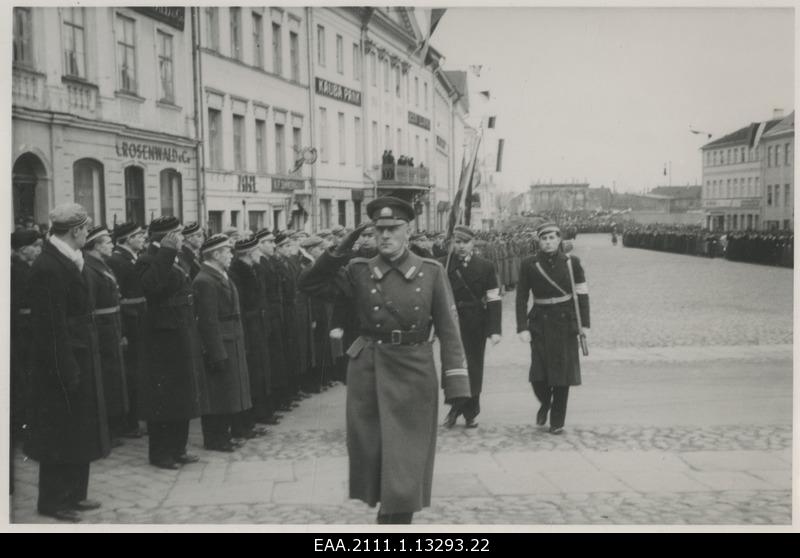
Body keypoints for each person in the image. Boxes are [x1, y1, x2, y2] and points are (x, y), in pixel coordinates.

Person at [299, 196, 469, 524]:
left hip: (414, 370)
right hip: (369, 370)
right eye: (380, 229)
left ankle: (396, 520)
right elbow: (309, 284)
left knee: (406, 461)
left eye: (394, 228)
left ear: (409, 230)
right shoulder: (358, 270)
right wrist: (338, 251)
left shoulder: (431, 272)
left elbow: (449, 330)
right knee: (371, 455)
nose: (386, 235)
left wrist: (457, 383)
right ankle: (387, 516)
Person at [26, 203, 110, 522]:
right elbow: (51, 328)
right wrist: (67, 369)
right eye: (86, 229)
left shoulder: (71, 258)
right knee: (59, 431)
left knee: (79, 427)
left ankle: (76, 493)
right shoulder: (49, 267)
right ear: (75, 231)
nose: (88, 233)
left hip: (79, 354)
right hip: (61, 362)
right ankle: (52, 501)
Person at [136, 217, 204, 469]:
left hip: (181, 331)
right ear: (164, 238)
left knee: (182, 393)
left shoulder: (174, 256)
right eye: (176, 234)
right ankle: (161, 453)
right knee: (164, 398)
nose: (182, 237)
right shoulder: (148, 259)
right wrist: (165, 252)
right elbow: (152, 286)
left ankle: (178, 448)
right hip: (162, 337)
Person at [515, 222, 590, 435]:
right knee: (538, 375)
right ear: (538, 241)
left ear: (559, 240)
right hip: (539, 324)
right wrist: (522, 327)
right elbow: (521, 297)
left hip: (566, 324)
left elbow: (582, 295)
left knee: (562, 376)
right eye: (543, 239)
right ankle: (545, 402)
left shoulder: (571, 263)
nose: (548, 243)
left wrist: (584, 324)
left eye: (551, 238)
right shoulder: (529, 264)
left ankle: (557, 421)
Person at [193, 234, 253, 451]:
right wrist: (216, 352)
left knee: (228, 391)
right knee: (218, 393)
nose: (230, 255)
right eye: (227, 251)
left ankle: (223, 435)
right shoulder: (205, 280)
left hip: (231, 338)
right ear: (216, 254)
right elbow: (208, 321)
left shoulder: (219, 275)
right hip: (221, 341)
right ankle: (215, 438)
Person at [441, 225, 502, 428]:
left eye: (464, 242)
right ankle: (454, 406)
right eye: (456, 242)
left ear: (472, 243)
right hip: (452, 322)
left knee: (474, 368)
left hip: (476, 322)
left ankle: (470, 411)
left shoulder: (485, 266)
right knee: (453, 366)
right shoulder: (445, 265)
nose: (460, 246)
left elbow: (493, 298)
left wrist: (494, 329)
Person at [83, 226, 129, 445]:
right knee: (105, 380)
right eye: (108, 242)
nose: (112, 245)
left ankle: (111, 429)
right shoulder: (89, 268)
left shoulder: (101, 265)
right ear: (96, 245)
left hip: (111, 327)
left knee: (112, 380)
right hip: (102, 330)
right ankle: (104, 433)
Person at [106, 223, 147, 439]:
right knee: (130, 373)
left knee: (137, 371)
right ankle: (130, 421)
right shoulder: (117, 260)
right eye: (138, 235)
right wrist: (122, 330)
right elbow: (118, 296)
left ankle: (135, 418)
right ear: (126, 239)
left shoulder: (131, 257)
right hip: (129, 322)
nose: (142, 238)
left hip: (138, 319)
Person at [10, 229, 42, 494]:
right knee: (22, 383)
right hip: (21, 338)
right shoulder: (17, 272)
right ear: (23, 250)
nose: (39, 250)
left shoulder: (23, 267)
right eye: (35, 246)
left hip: (25, 335)